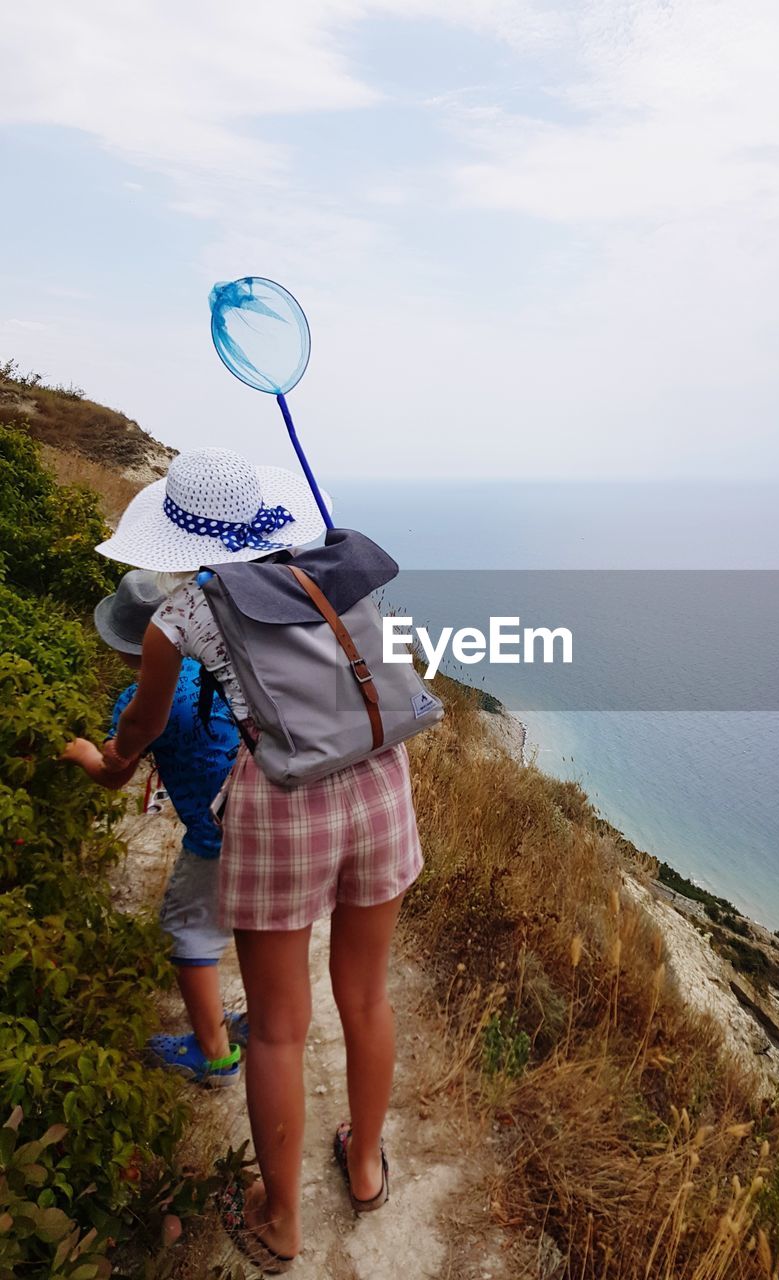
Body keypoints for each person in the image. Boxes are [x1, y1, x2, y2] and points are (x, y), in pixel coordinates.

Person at [93, 448, 423, 1273]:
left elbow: (140, 730)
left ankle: (280, 1224)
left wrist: (107, 763)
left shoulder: (181, 617)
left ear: (180, 534)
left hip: (283, 803)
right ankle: (366, 1165)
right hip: (384, 780)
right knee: (367, 997)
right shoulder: (336, 563)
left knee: (277, 1030)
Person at [62, 570, 246, 1085]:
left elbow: (111, 775)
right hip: (259, 816)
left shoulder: (136, 704)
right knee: (254, 924)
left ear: (125, 647)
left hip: (213, 835)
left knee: (187, 935)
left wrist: (81, 752)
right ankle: (252, 1020)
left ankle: (214, 1057)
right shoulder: (214, 668)